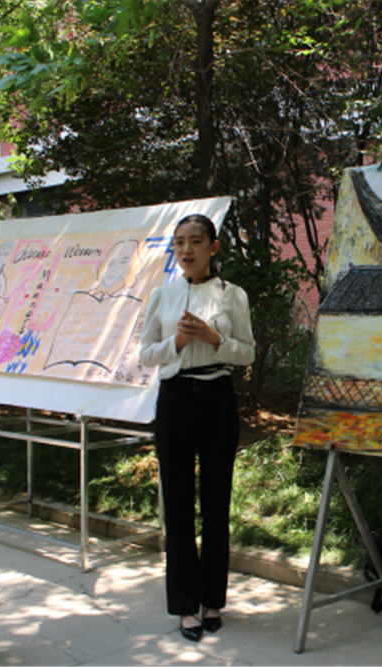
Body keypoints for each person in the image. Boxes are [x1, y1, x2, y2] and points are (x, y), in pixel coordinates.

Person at [139, 214, 255, 641]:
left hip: (217, 397)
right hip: (174, 400)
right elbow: (146, 354)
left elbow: (248, 353)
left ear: (213, 247)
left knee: (216, 502)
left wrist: (213, 337)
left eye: (195, 241)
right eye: (179, 242)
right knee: (178, 503)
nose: (186, 250)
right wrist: (179, 342)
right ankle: (186, 605)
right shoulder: (163, 295)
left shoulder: (232, 295)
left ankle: (212, 601)